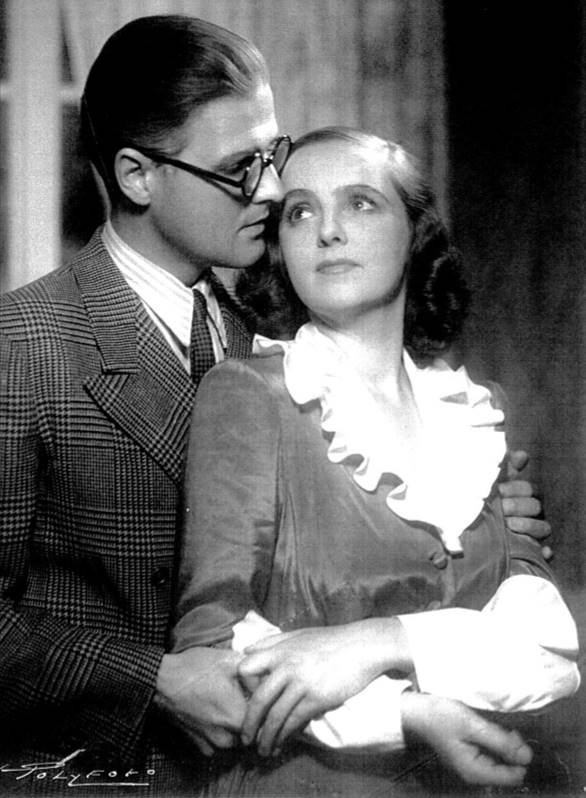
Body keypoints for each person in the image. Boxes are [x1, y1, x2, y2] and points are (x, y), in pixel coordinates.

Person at [0, 13, 548, 796]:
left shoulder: (287, 339)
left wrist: (482, 519)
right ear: (137, 176)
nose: (269, 189)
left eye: (271, 156)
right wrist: (151, 678)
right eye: (237, 168)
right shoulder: (20, 344)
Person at [171, 127, 580, 796]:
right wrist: (407, 714)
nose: (328, 231)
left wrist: (382, 640)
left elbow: (548, 650)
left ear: (416, 234)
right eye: (299, 212)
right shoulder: (249, 395)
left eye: (360, 203)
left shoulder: (476, 411)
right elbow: (213, 649)